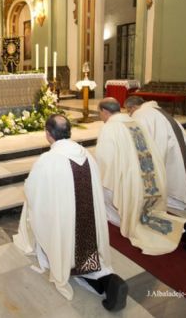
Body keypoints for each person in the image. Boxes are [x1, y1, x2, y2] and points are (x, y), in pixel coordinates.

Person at [14, 115, 128, 311]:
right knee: (85, 251)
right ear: (70, 132)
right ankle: (107, 279)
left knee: (67, 254)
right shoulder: (85, 153)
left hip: (65, 220)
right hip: (87, 219)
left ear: (48, 134)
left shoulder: (48, 159)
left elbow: (33, 191)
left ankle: (107, 283)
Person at [95, 98, 186, 255]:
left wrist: (100, 181)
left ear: (105, 111)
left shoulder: (110, 128)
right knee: (147, 211)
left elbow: (105, 160)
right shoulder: (133, 122)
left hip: (128, 179)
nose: (100, 116)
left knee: (135, 218)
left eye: (99, 113)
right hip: (148, 176)